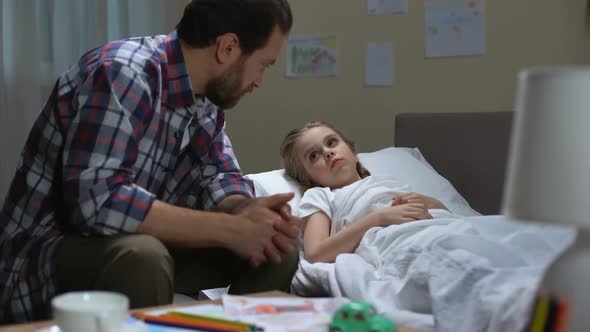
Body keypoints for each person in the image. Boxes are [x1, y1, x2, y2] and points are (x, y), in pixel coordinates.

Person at [0, 0, 302, 324]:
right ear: (227, 47)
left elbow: (220, 175)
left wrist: (247, 214)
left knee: (276, 249)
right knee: (142, 256)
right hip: (44, 258)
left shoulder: (206, 103)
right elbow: (98, 202)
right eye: (263, 65)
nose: (260, 81)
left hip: (126, 244)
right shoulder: (124, 71)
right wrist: (229, 229)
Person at [280, 122, 447, 264]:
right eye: (314, 155)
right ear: (308, 178)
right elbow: (315, 254)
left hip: (439, 228)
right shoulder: (321, 195)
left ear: (353, 151)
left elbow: (446, 215)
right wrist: (378, 219)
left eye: (331, 143)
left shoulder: (386, 182)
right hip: (402, 243)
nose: (327, 152)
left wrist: (428, 202)